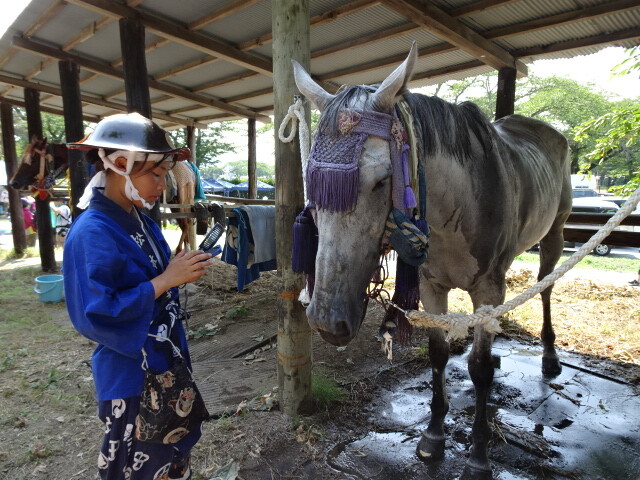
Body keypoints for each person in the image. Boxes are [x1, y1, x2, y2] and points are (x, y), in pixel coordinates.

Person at [63, 112, 211, 480]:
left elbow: (154, 274)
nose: (163, 185)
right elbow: (96, 313)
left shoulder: (140, 217)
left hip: (163, 361)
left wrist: (175, 269)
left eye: (164, 175)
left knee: (169, 455)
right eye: (156, 174)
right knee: (136, 464)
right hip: (131, 375)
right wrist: (164, 281)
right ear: (120, 165)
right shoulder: (91, 232)